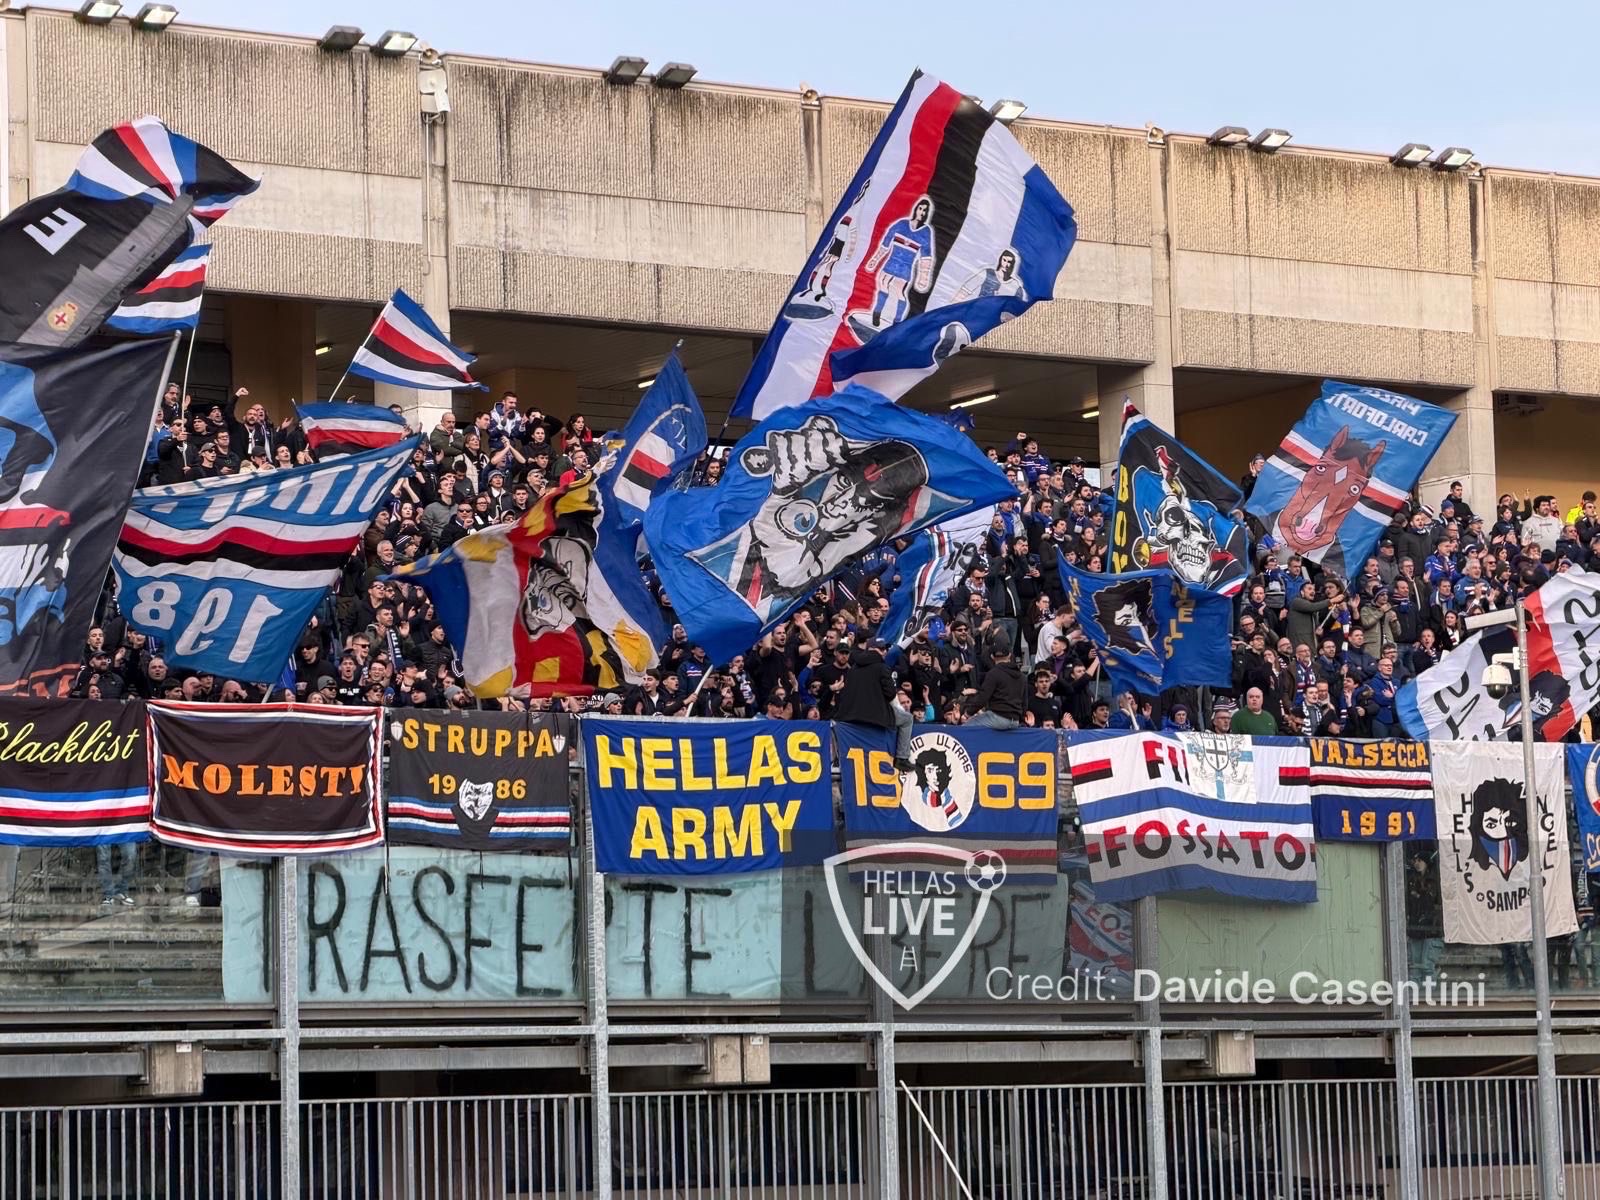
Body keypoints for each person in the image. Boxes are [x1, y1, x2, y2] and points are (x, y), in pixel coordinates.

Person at [964, 633, 1025, 730]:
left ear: (992, 657)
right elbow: (1024, 702)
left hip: (998, 718)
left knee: (965, 727)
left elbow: (983, 698)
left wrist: (968, 713)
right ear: (1009, 655)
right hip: (1015, 721)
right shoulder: (1021, 676)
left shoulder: (993, 673)